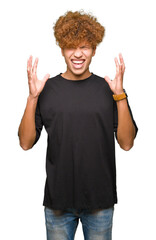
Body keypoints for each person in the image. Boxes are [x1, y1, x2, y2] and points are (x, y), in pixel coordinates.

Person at [18, 10, 138, 240]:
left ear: (94, 50)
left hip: (100, 203)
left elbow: (126, 143)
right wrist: (32, 98)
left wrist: (120, 95)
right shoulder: (46, 91)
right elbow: (25, 143)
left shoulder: (109, 89)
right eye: (71, 47)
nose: (78, 54)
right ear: (62, 50)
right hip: (57, 204)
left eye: (84, 46)